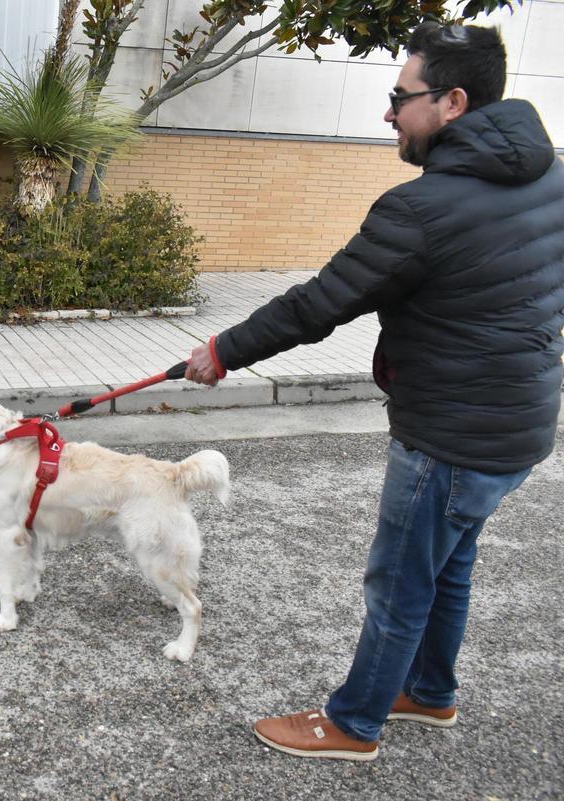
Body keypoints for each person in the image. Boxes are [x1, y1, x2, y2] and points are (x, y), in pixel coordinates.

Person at [185, 22, 564, 761]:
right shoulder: (552, 176)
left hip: (452, 435)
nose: (387, 114)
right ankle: (429, 689)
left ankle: (354, 722)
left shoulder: (420, 210)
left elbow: (320, 302)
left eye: (400, 97)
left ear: (453, 102)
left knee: (399, 583)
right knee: (449, 563)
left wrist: (222, 350)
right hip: (520, 426)